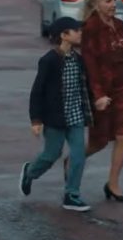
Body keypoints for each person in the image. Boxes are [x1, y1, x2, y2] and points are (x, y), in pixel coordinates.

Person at [21, 17, 94, 212]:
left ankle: (72, 194)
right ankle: (30, 172)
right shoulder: (49, 61)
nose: (80, 33)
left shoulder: (79, 60)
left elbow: (85, 87)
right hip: (55, 118)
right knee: (52, 154)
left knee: (78, 155)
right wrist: (36, 120)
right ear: (64, 35)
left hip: (76, 116)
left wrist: (97, 102)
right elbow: (37, 91)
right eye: (76, 30)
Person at [80, 0, 123, 203]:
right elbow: (90, 64)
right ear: (96, 3)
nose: (113, 4)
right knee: (99, 141)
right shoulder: (90, 28)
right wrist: (98, 94)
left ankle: (113, 184)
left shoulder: (120, 25)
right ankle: (73, 161)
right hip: (102, 90)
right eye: (108, 1)